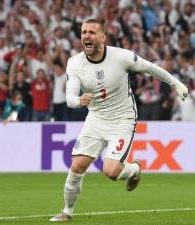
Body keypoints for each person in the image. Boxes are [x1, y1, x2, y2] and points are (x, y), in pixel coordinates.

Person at [50, 19, 188, 222]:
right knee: (77, 166)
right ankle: (67, 211)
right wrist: (78, 100)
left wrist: (175, 83)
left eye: (92, 32)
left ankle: (134, 169)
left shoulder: (121, 57)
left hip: (123, 119)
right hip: (96, 119)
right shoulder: (75, 63)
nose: (86, 36)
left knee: (111, 171)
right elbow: (70, 96)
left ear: (103, 37)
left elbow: (150, 68)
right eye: (84, 32)